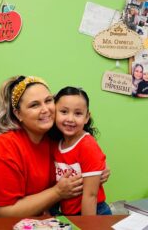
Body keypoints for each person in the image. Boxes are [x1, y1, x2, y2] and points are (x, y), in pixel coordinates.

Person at [0, 76, 110, 218]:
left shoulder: (52, 135)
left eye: (48, 101)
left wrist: (98, 167)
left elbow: (82, 145)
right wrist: (57, 193)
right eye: (34, 105)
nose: (45, 109)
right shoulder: (0, 147)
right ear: (18, 114)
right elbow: (1, 213)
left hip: (32, 202)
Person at [49, 86, 111, 216]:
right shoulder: (57, 143)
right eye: (64, 112)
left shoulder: (87, 145)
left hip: (91, 212)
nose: (70, 119)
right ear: (54, 112)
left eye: (78, 113)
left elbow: (91, 196)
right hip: (68, 213)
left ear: (87, 117)